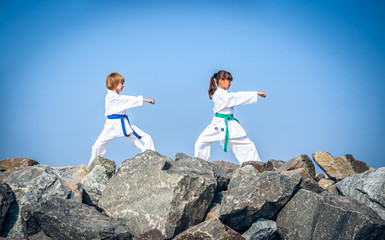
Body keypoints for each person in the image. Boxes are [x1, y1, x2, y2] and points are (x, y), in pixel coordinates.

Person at [194, 70, 266, 165]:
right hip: (218, 125)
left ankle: (256, 166)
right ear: (221, 81)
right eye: (229, 81)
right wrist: (255, 93)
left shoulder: (223, 94)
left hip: (231, 125)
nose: (230, 84)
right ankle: (198, 164)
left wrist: (255, 93)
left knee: (248, 145)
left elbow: (236, 96)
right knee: (201, 142)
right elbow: (236, 96)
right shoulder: (219, 95)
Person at [88, 72, 155, 167]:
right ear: (114, 84)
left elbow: (127, 99)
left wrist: (145, 100)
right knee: (97, 146)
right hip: (111, 126)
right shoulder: (111, 97)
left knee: (146, 138)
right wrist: (146, 100)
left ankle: (152, 160)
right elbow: (128, 99)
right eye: (122, 83)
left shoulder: (117, 96)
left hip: (122, 124)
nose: (124, 85)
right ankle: (91, 166)